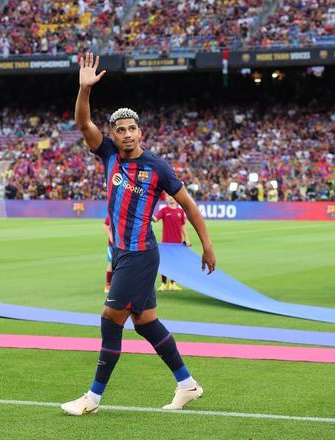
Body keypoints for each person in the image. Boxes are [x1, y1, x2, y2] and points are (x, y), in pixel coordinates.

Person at [61, 53, 216, 416]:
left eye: (132, 128)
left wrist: (207, 246)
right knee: (145, 323)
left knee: (109, 318)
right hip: (121, 253)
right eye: (120, 129)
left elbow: (189, 206)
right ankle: (187, 384)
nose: (127, 134)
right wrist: (84, 90)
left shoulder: (157, 167)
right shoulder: (109, 154)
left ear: (140, 131)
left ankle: (92, 398)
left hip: (141, 253)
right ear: (113, 134)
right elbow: (83, 124)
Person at [153, 194, 190, 291]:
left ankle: (173, 284)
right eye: (169, 197)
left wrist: (187, 239)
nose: (171, 199)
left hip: (177, 243)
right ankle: (163, 284)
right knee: (165, 263)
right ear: (167, 199)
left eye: (172, 197)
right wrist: (149, 215)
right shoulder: (164, 210)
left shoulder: (180, 212)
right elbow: (155, 219)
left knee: (175, 264)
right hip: (166, 243)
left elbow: (183, 226)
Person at [103, 216, 113, 293]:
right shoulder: (113, 212)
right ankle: (108, 284)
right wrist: (110, 236)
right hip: (113, 245)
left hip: (125, 244)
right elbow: (105, 225)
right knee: (112, 263)